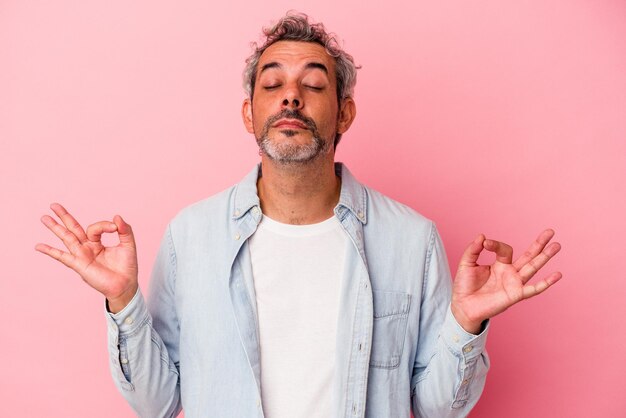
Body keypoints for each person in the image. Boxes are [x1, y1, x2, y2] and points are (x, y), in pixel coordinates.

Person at [36, 12, 563, 418]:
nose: (291, 96)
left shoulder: (411, 238)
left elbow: (435, 406)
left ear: (345, 112)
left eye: (313, 85)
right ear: (250, 113)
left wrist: (467, 324)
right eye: (272, 85)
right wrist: (123, 301)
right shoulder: (189, 236)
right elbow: (157, 403)